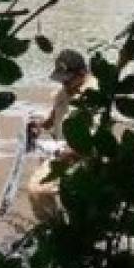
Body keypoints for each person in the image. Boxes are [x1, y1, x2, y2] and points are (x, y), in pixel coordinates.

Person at [26, 48, 98, 223]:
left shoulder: (95, 96)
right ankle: (56, 227)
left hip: (83, 157)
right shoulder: (63, 92)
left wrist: (70, 153)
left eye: (67, 80)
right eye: (61, 80)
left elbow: (94, 141)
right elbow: (52, 118)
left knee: (37, 188)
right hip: (60, 152)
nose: (64, 85)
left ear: (82, 74)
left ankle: (55, 229)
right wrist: (39, 126)